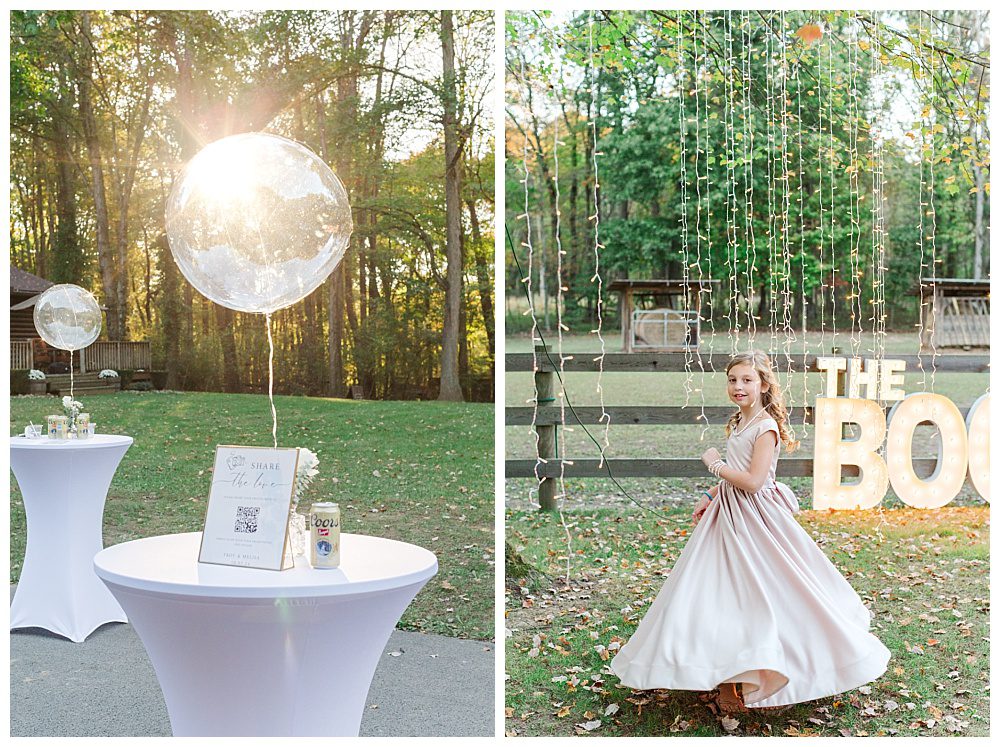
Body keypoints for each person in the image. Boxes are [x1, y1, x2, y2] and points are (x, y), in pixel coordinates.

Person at [609, 351, 890, 713]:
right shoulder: (740, 421)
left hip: (756, 517)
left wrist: (714, 466)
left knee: (769, 586)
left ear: (762, 385)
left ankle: (783, 667)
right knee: (717, 588)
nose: (738, 387)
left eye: (747, 380)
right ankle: (719, 663)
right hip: (728, 513)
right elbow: (739, 473)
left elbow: (755, 482)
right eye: (733, 380)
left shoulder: (765, 427)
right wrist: (711, 494)